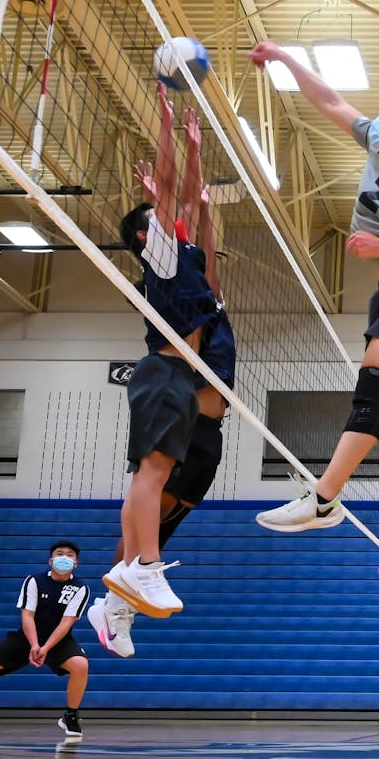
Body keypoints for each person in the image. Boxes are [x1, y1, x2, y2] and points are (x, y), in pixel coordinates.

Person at [249, 40, 379, 572]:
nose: (378, 115)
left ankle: (323, 498)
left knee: (370, 390)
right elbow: (330, 101)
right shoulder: (378, 141)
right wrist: (285, 59)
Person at [90, 108, 233, 652]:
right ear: (148, 236)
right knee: (149, 484)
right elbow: (176, 198)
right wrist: (169, 126)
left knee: (169, 509)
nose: (175, 217)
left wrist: (197, 151)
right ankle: (131, 581)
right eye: (160, 215)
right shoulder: (163, 262)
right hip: (169, 381)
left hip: (206, 424)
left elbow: (197, 214)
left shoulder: (196, 276)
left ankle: (119, 598)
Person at [0, 541, 91, 738]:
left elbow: (67, 622)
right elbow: (27, 615)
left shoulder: (81, 588)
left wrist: (45, 647)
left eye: (70, 555)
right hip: (26, 639)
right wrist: (34, 645)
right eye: (60, 553)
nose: (64, 557)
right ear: (51, 560)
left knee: (81, 665)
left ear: (76, 563)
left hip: (58, 641)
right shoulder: (34, 581)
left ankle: (71, 715)